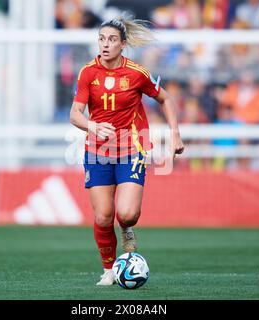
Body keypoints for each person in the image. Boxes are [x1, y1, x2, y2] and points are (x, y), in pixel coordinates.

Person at [69, 15, 184, 286]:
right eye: (101, 39)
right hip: (97, 150)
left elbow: (165, 99)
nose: (105, 44)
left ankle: (127, 228)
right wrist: (92, 127)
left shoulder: (137, 73)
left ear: (122, 44)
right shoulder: (88, 72)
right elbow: (75, 114)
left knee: (127, 213)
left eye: (111, 40)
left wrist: (175, 133)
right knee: (102, 215)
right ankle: (109, 270)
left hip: (132, 147)